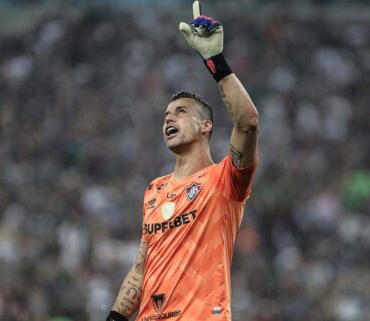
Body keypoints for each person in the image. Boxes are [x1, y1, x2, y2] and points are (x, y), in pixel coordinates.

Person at [105, 2, 259, 320]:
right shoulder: (154, 190)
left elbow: (248, 123)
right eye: (165, 115)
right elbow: (141, 267)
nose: (168, 119)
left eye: (181, 111)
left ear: (206, 126)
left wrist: (214, 60)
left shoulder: (225, 180)